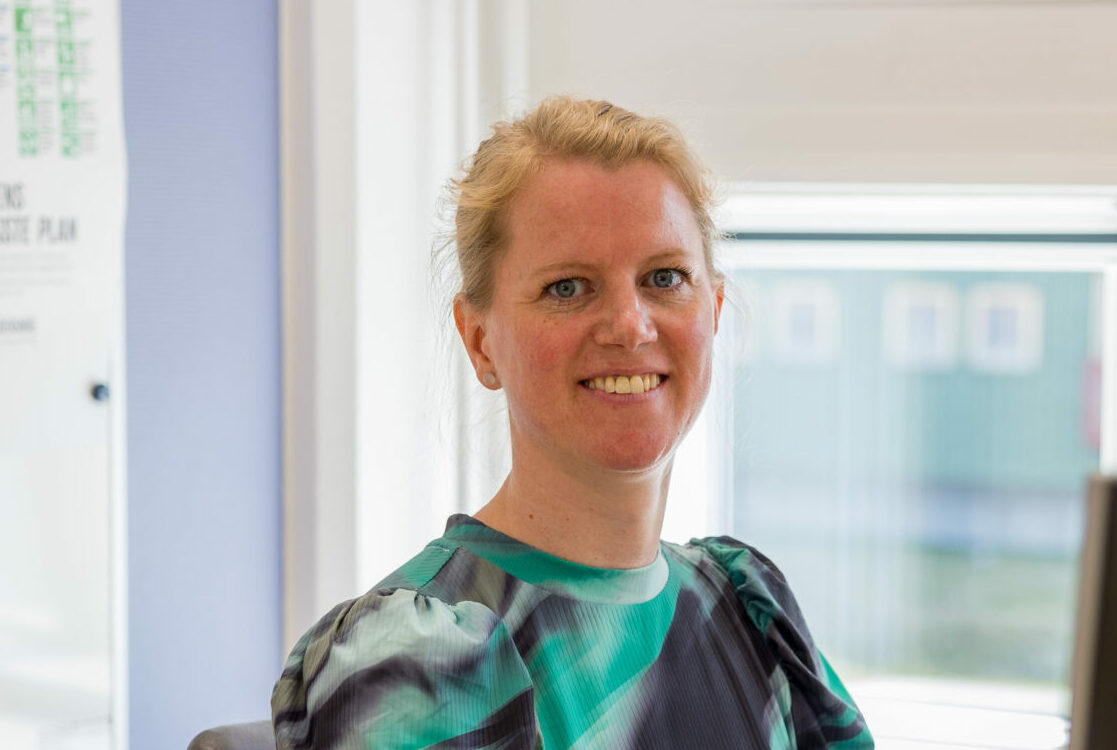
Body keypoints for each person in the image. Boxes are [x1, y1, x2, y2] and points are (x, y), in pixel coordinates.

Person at [271, 97, 873, 749]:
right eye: (567, 287)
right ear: (479, 342)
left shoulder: (748, 612)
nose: (630, 326)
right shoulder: (420, 659)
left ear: (714, 310)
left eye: (665, 277)